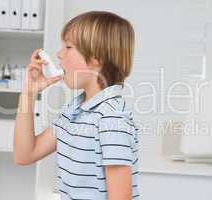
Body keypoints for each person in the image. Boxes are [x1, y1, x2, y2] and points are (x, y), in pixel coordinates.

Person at [13, 11, 140, 200]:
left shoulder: (112, 119)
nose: (59, 54)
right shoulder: (75, 111)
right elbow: (24, 155)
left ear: (96, 58)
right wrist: (29, 93)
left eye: (68, 47)